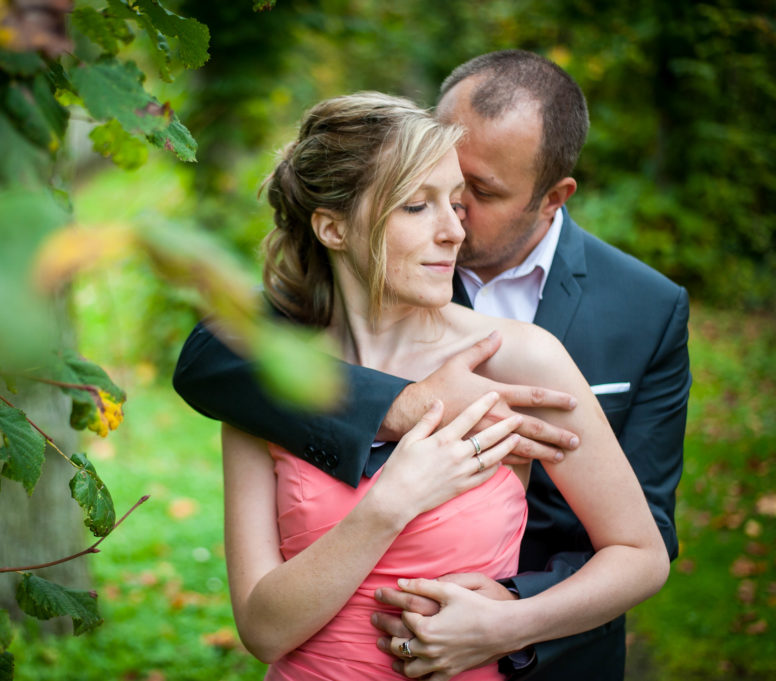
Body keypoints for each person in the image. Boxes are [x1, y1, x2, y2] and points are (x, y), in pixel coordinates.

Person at [173, 50, 690, 680]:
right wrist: (393, 488)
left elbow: (641, 547)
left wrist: (510, 620)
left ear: (553, 196)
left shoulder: (523, 353)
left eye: (467, 197)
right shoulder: (271, 379)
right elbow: (261, 629)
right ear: (332, 229)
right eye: (421, 204)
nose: (456, 228)